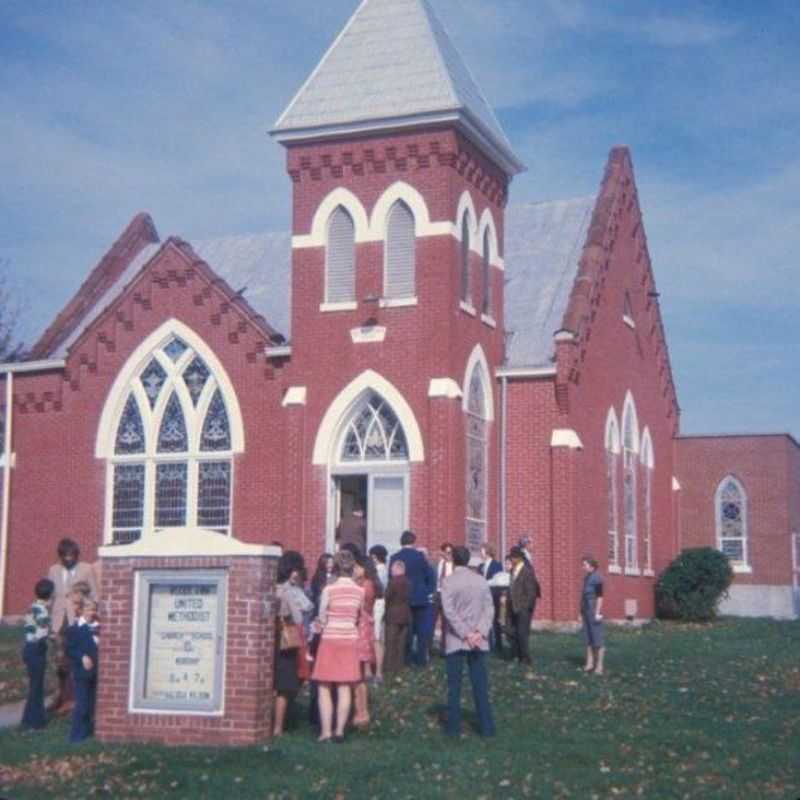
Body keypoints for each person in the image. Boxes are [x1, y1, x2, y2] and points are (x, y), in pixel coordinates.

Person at [440, 546, 495, 738]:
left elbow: (449, 612)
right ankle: (487, 728)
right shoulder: (481, 581)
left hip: (457, 639)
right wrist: (479, 631)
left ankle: (453, 728)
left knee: (454, 686)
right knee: (480, 684)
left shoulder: (448, 582)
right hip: (478, 639)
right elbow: (490, 609)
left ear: (453, 560)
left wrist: (466, 633)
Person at [312, 550, 364, 743]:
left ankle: (326, 731)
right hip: (349, 638)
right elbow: (358, 616)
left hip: (330, 638)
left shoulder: (328, 590)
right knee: (344, 686)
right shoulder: (360, 591)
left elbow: (321, 617)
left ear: (335, 567)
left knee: (324, 686)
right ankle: (340, 730)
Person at [47, 538, 97, 713]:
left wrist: (87, 612)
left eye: (72, 556)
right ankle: (59, 697)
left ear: (76, 554)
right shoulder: (53, 570)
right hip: (59, 621)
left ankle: (77, 700)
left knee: (78, 659)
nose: (69, 559)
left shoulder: (87, 568)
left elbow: (95, 595)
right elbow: (50, 596)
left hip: (77, 620)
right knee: (60, 662)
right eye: (65, 556)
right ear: (60, 555)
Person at [274, 551, 312, 736]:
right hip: (286, 640)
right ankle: (278, 728)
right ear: (292, 571)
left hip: (271, 639)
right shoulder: (288, 590)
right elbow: (298, 615)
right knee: (285, 686)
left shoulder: (272, 586)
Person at [389, 530, 435, 666]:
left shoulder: (395, 557)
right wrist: (427, 591)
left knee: (406, 631)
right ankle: (421, 659)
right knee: (421, 631)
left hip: (403, 598)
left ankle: (406, 659)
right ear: (413, 542)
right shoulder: (420, 557)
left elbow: (392, 579)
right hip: (420, 597)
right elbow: (430, 576)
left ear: (401, 542)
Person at [20, 578, 55, 730]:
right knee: (37, 687)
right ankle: (35, 723)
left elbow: (29, 628)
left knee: (34, 686)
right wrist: (52, 635)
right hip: (37, 649)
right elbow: (42, 631)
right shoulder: (43, 610)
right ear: (50, 594)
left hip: (28, 647)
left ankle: (27, 720)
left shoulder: (32, 606)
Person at [353, 554, 381, 727]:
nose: (355, 570)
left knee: (357, 676)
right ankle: (361, 712)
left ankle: (361, 713)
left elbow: (358, 605)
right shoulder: (368, 584)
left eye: (357, 566)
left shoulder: (365, 586)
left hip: (361, 631)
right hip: (364, 630)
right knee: (359, 676)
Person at [66, 597, 99, 742]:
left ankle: (87, 731)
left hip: (97, 671)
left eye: (93, 609)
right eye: (88, 609)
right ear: (80, 610)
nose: (91, 613)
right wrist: (82, 657)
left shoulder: (99, 627)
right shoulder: (74, 628)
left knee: (91, 703)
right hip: (82, 671)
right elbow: (70, 649)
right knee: (82, 703)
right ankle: (75, 735)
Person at [508, 546, 540, 665]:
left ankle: (525, 658)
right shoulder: (513, 570)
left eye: (513, 557)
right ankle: (517, 654)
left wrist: (524, 607)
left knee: (522, 632)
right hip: (513, 606)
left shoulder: (527, 571)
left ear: (519, 558)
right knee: (512, 631)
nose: (511, 559)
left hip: (523, 609)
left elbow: (531, 592)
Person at [383, 560, 410, 676]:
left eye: (393, 569)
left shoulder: (393, 582)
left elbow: (387, 597)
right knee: (401, 643)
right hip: (405, 615)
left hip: (393, 615)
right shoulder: (408, 582)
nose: (391, 571)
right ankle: (399, 668)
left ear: (398, 569)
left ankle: (389, 669)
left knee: (390, 643)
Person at [580, 556, 606, 676]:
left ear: (592, 566)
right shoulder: (586, 578)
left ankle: (599, 666)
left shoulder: (597, 578)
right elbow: (583, 597)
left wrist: (597, 612)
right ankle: (589, 663)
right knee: (588, 638)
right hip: (586, 611)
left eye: (585, 565)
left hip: (594, 610)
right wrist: (580, 612)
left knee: (597, 639)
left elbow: (600, 596)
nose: (583, 567)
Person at [368, 545, 389, 685]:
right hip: (381, 605)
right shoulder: (385, 570)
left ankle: (376, 672)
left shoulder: (379, 571)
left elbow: (378, 589)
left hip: (377, 605)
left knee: (375, 637)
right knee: (378, 636)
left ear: (374, 557)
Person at [478, 544, 503, 653]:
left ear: (488, 552)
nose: (480, 553)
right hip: (482, 598)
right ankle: (485, 643)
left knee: (495, 621)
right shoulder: (480, 566)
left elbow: (497, 582)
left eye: (482, 551)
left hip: (493, 597)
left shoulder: (497, 565)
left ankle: (498, 645)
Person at [432, 542, 454, 654]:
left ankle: (444, 649)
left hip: (447, 595)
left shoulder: (453, 566)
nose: (447, 555)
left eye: (450, 552)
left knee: (446, 623)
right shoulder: (437, 563)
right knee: (432, 620)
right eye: (445, 552)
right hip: (437, 593)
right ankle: (428, 648)